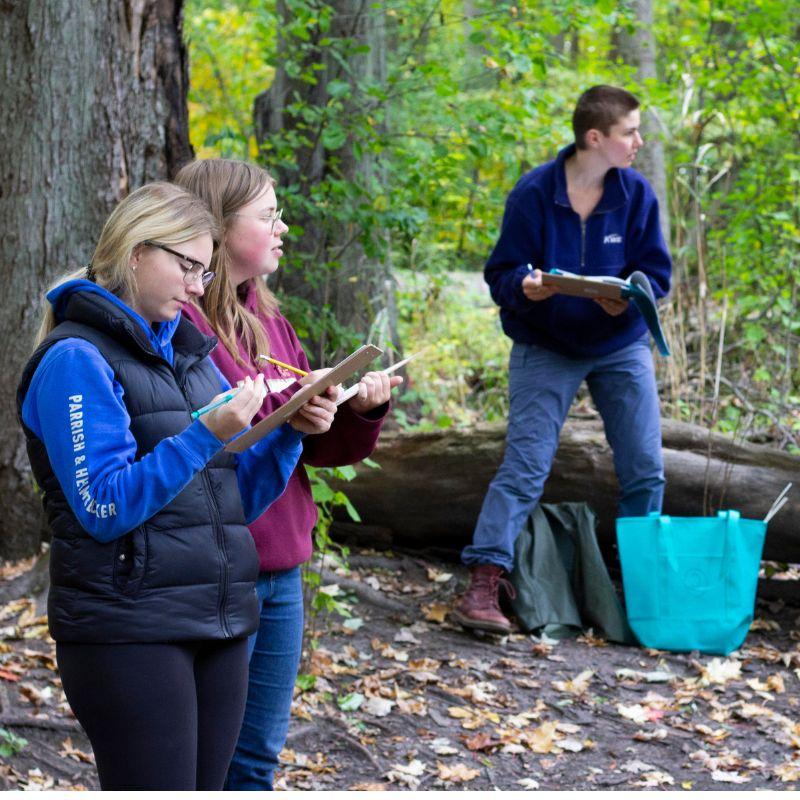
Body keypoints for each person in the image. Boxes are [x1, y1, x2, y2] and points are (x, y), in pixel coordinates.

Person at [15, 182, 319, 790]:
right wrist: (206, 434)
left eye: (206, 271)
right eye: (187, 266)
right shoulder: (76, 358)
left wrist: (290, 431)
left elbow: (229, 503)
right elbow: (104, 505)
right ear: (134, 251)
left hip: (220, 621)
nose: (199, 286)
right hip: (129, 628)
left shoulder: (189, 357)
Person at [174, 158, 402, 790]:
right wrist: (293, 413)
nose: (283, 228)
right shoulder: (183, 325)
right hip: (222, 566)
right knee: (205, 757)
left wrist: (354, 410)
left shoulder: (271, 319)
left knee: (257, 759)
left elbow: (310, 450)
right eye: (268, 216)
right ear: (216, 228)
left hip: (284, 567)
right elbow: (207, 441)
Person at [452, 86, 672, 635]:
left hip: (620, 346)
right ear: (595, 138)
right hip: (544, 345)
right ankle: (484, 583)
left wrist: (626, 294)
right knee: (524, 467)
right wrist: (524, 288)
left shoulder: (636, 195)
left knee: (646, 468)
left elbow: (657, 277)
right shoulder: (533, 193)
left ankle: (643, 594)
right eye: (630, 133)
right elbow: (500, 273)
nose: (638, 142)